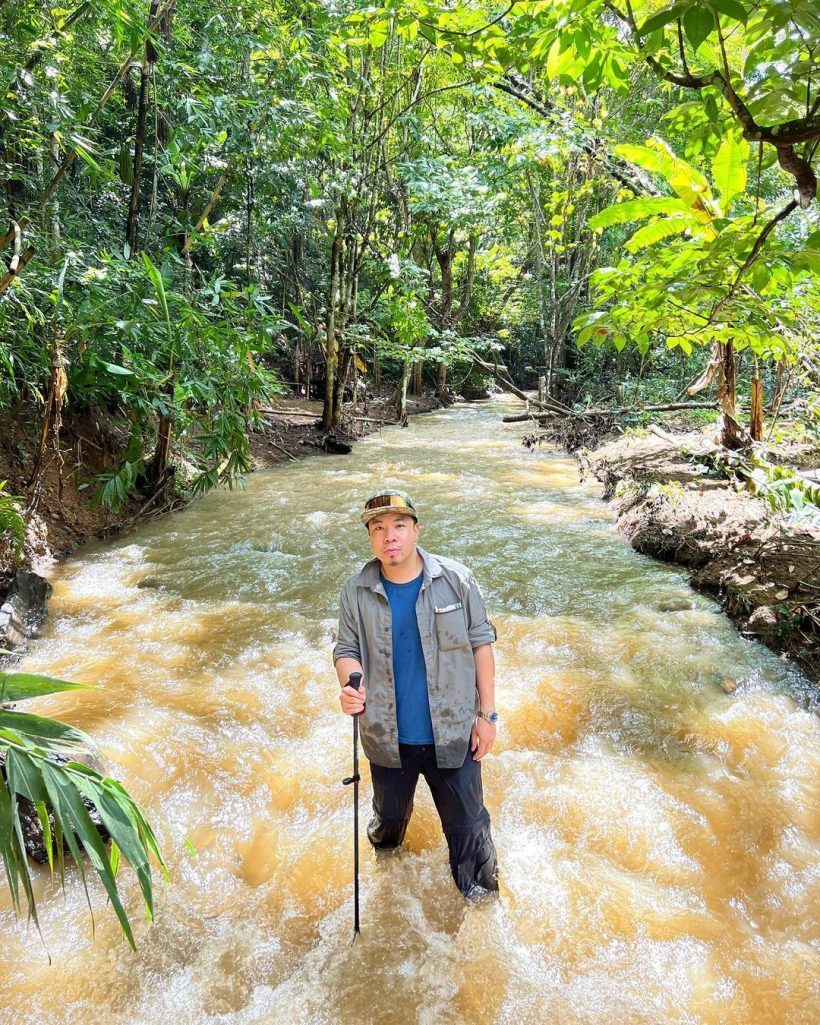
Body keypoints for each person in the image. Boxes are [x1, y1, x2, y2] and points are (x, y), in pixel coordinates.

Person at [333, 488, 499, 899]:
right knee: (387, 830)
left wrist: (489, 716)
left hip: (455, 735)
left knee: (470, 834)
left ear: (416, 530)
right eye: (379, 528)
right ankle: (389, 895)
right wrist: (349, 685)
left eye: (399, 526)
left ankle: (480, 908)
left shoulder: (456, 580)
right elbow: (346, 650)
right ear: (370, 537)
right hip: (387, 741)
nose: (390, 536)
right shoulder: (356, 591)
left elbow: (481, 644)